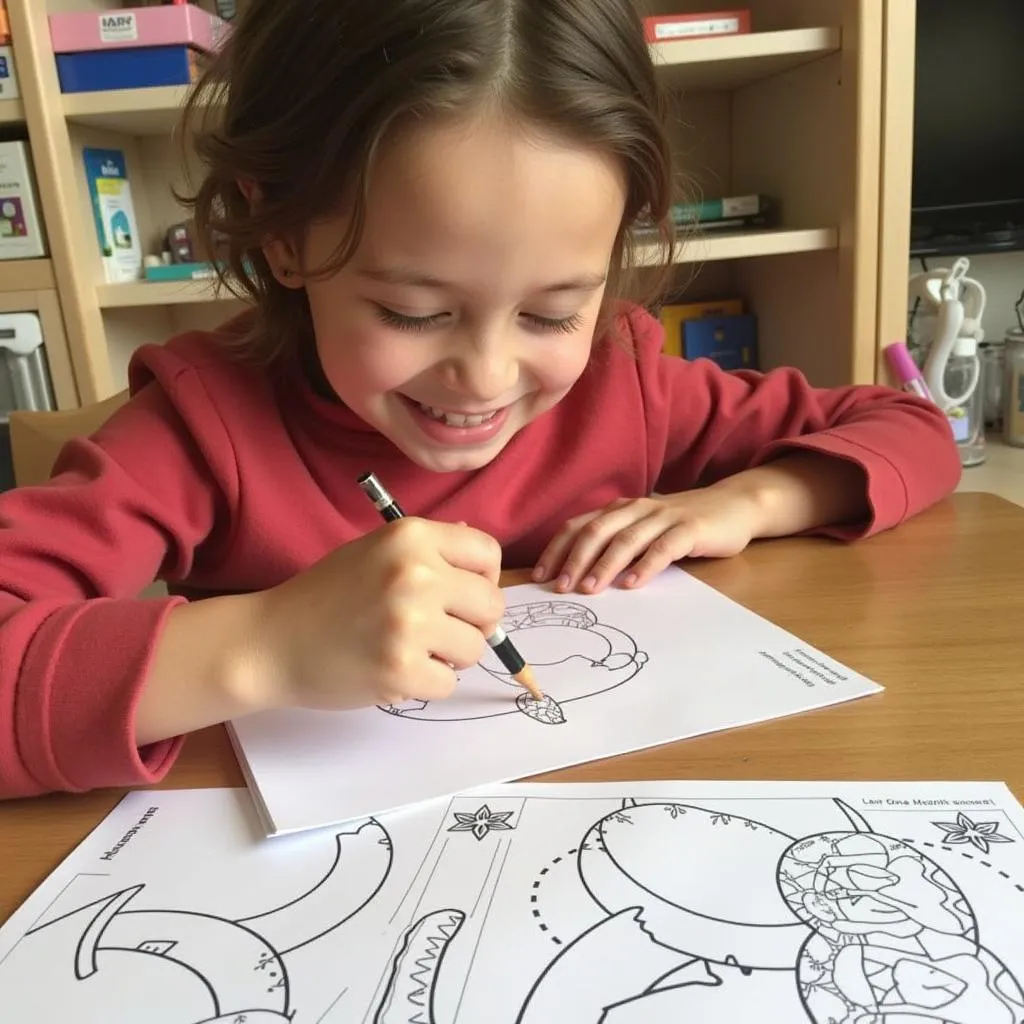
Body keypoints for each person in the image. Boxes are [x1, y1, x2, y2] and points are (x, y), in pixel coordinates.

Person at [0, 0, 960, 800]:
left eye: (552, 314)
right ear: (282, 236)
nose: (488, 378)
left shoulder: (626, 380)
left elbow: (914, 429)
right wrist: (265, 643)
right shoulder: (202, 427)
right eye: (413, 312)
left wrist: (743, 503)